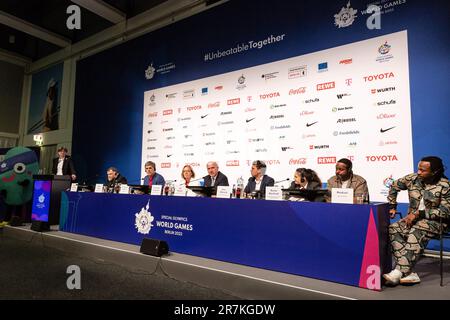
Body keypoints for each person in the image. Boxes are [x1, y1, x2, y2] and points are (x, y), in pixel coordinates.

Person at [383, 156, 449, 285]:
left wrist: (420, 213)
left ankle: (398, 272)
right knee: (394, 229)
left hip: (438, 223)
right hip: (412, 220)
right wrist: (392, 206)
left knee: (417, 230)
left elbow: (446, 212)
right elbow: (394, 186)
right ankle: (408, 272)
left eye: (423, 170)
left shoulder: (445, 186)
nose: (419, 172)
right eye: (418, 169)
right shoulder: (412, 179)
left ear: (434, 172)